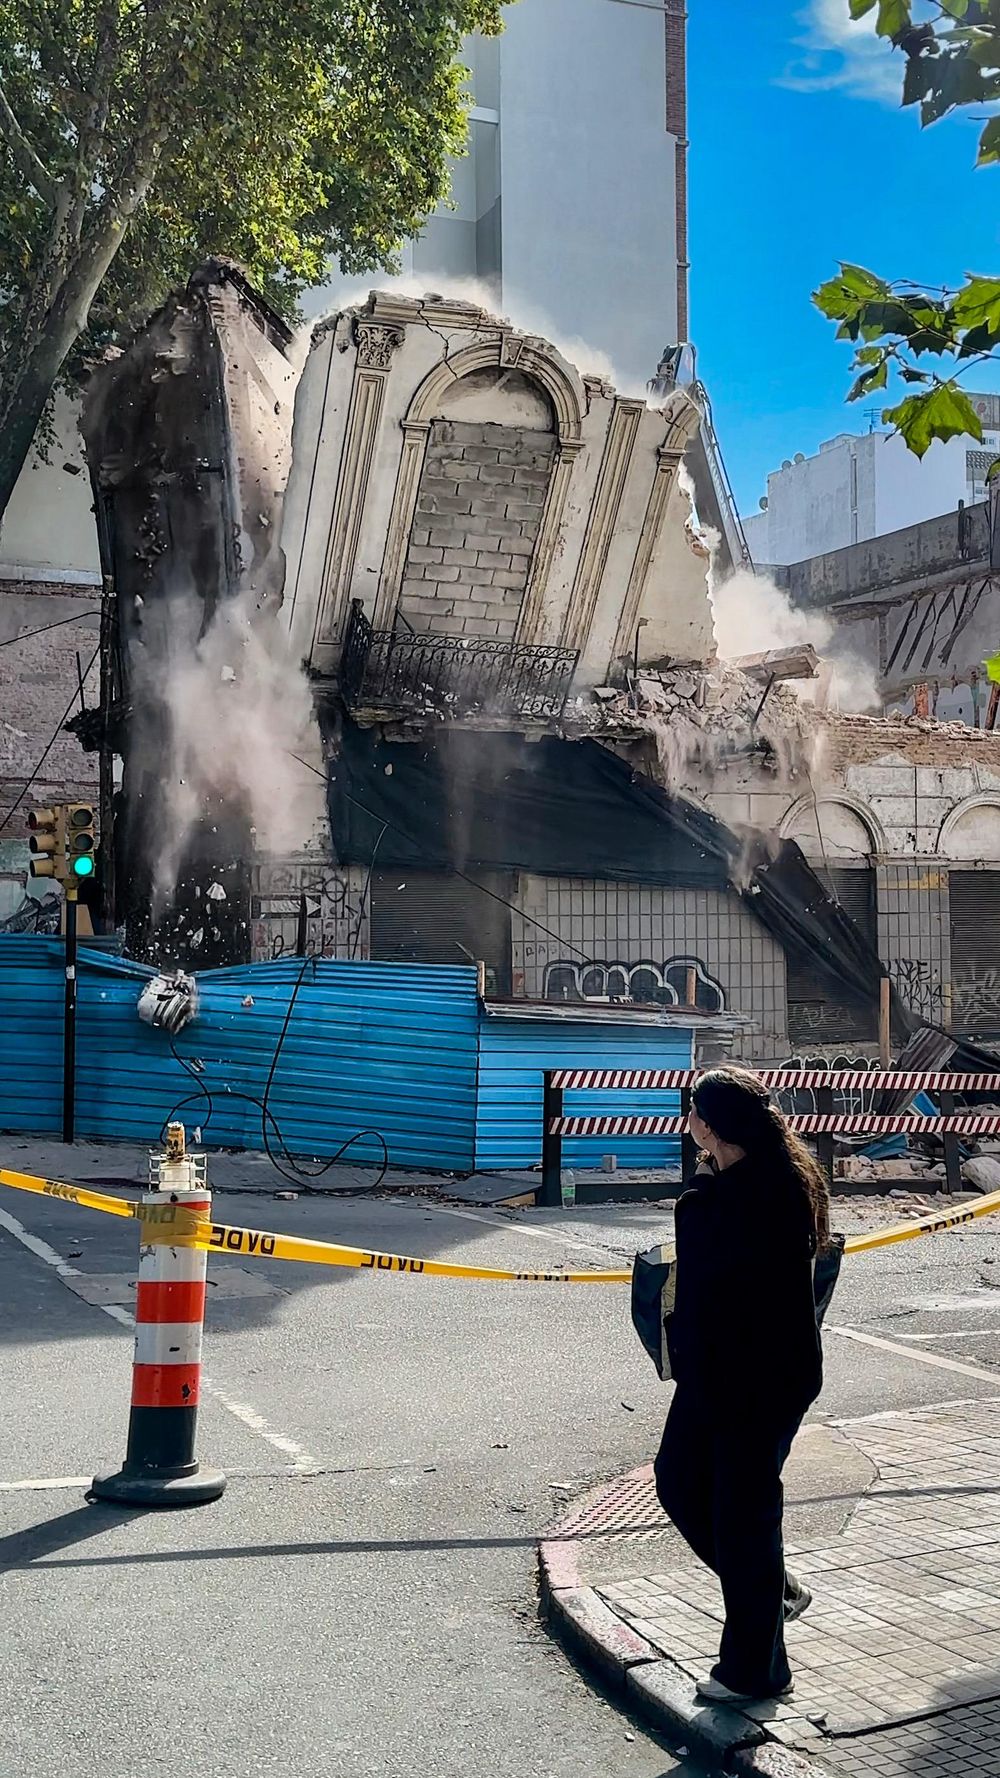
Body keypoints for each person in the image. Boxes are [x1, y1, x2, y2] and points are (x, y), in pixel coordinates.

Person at [653, 1065, 831, 1705]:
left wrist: (701, 1183)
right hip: (741, 1371)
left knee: (743, 1513)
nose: (687, 1120)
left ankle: (756, 1669)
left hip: (750, 1378)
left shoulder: (722, 1199)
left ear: (711, 1125)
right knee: (679, 1481)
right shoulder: (780, 1176)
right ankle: (773, 1594)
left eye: (693, 1110)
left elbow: (704, 1282)